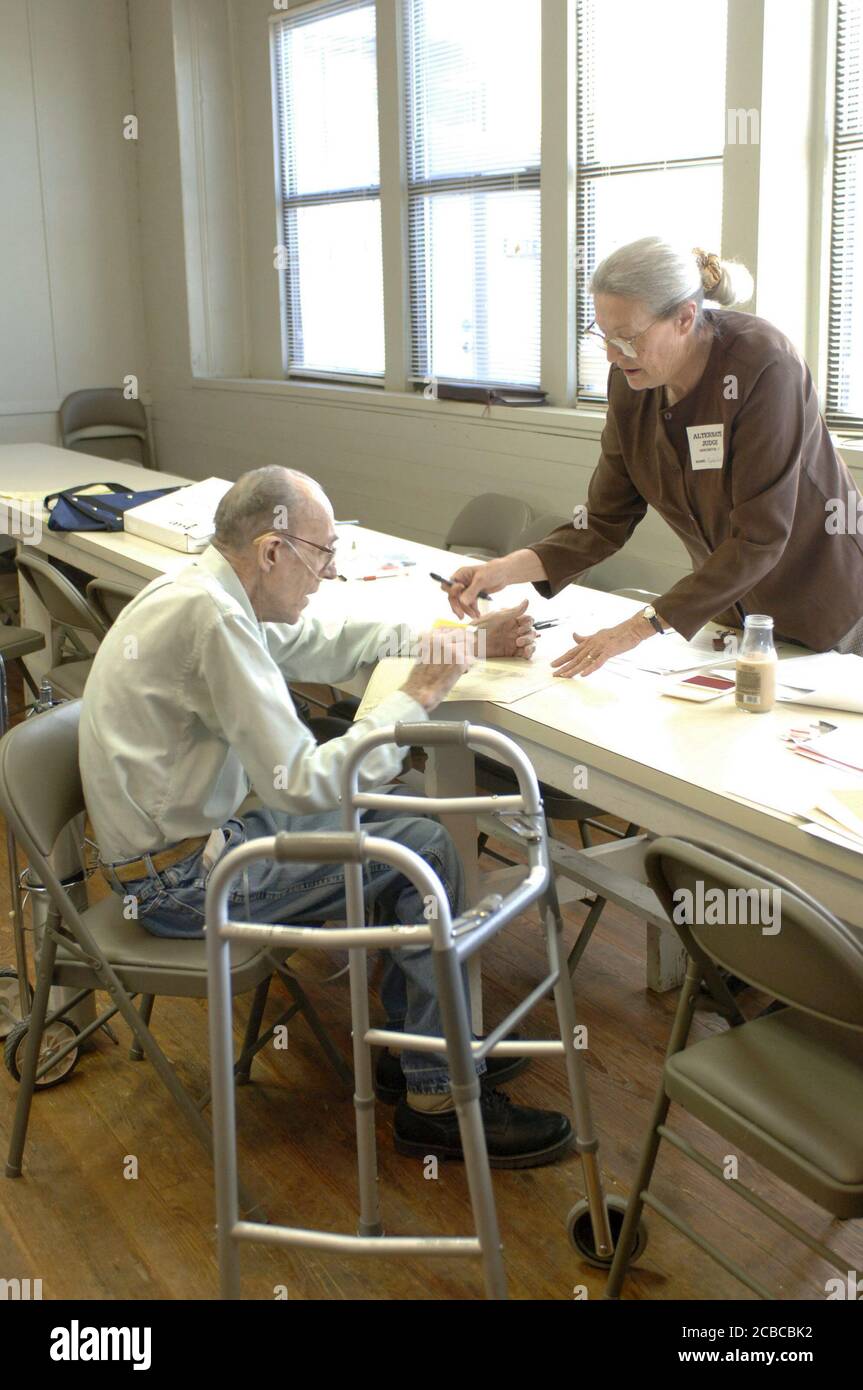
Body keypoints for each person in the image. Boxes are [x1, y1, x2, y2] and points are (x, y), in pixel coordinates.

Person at [80, 466, 572, 1168]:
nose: (329, 573)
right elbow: (304, 788)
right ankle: (435, 1099)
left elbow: (322, 640)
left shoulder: (207, 591)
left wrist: (457, 641)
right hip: (181, 885)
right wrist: (418, 698)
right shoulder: (213, 617)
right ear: (273, 551)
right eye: (322, 554)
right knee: (425, 847)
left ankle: (418, 1058)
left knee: (406, 824)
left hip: (180, 852)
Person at [444, 237, 863, 673]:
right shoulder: (632, 381)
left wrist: (636, 629)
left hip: (830, 612)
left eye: (626, 339)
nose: (612, 355)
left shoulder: (764, 366)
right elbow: (603, 522)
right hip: (734, 615)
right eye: (603, 336)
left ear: (685, 317)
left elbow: (759, 537)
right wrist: (505, 570)